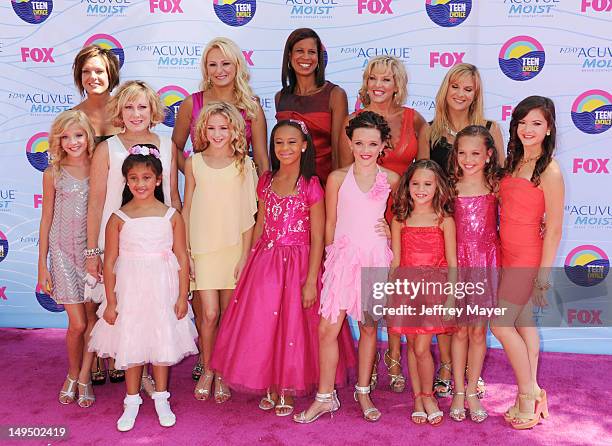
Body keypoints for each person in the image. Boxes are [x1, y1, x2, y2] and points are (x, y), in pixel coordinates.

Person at [211, 119, 355, 417]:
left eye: (291, 142)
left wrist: (312, 280)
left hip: (300, 264)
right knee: (265, 324)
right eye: (279, 143)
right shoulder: (266, 180)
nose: (285, 148)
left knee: (295, 327)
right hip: (266, 261)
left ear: (304, 146)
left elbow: (317, 237)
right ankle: (271, 384)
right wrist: (247, 258)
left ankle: (288, 388)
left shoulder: (311, 185)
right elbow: (260, 223)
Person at [294, 112, 399, 424]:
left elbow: (403, 218)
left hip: (375, 257)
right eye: (359, 143)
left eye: (372, 143)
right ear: (350, 143)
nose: (365, 149)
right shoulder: (338, 178)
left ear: (382, 146)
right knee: (327, 327)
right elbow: (330, 223)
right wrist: (329, 260)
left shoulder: (391, 179)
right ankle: (325, 397)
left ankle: (363, 390)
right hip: (342, 257)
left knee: (369, 327)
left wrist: (391, 232)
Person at [89, 148, 197, 431]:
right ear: (126, 181)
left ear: (158, 180)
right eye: (133, 178)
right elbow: (110, 261)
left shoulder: (172, 215)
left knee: (162, 342)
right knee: (132, 343)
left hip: (164, 289)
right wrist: (111, 302)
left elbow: (182, 257)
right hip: (131, 292)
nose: (140, 184)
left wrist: (182, 295)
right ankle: (132, 400)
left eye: (146, 177)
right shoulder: (118, 218)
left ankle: (162, 398)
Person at [339, 55, 429, 393]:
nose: (378, 85)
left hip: (403, 216)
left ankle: (394, 357)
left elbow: (425, 174)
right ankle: (373, 359)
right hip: (367, 221)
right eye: (373, 78)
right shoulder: (352, 121)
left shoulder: (414, 120)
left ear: (397, 85)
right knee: (371, 299)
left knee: (396, 290)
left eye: (386, 79)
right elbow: (341, 173)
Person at [85, 80, 182, 390]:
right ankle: (118, 374)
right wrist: (92, 251)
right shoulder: (107, 148)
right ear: (119, 111)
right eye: (129, 106)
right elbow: (97, 202)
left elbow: (173, 198)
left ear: (153, 109)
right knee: (122, 309)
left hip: (157, 244)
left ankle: (153, 378)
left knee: (155, 307)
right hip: (114, 240)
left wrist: (183, 246)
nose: (136, 113)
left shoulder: (168, 146)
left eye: (142, 106)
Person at [425, 63, 503, 397]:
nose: (460, 94)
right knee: (450, 318)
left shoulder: (489, 128)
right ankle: (447, 369)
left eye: (468, 88)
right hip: (448, 234)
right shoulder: (430, 130)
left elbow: (502, 184)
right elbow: (424, 179)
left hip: (482, 248)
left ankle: (470, 379)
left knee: (473, 325)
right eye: (455, 86)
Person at [491, 96, 564, 430]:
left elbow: (555, 229)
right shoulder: (513, 161)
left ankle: (528, 393)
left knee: (500, 324)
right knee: (522, 322)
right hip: (505, 252)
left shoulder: (549, 170)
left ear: (548, 129)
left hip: (527, 257)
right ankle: (532, 391)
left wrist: (543, 276)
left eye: (537, 123)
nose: (528, 129)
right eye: (523, 122)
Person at [183, 101, 258, 403]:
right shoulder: (194, 162)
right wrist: (185, 250)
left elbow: (250, 214)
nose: (217, 134)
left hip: (233, 248)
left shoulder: (244, 164)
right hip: (201, 247)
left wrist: (244, 256)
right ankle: (208, 368)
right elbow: (187, 207)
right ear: (203, 129)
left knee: (227, 316)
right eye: (211, 128)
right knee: (209, 314)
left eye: (223, 128)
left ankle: (224, 371)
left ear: (234, 130)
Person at [389, 160, 456, 426]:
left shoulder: (444, 220)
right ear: (408, 186)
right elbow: (396, 262)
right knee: (412, 346)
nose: (421, 188)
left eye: (427, 184)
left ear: (438, 186)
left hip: (434, 292)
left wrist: (451, 297)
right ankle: (418, 398)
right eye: (415, 183)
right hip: (407, 290)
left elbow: (453, 263)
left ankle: (428, 395)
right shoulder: (400, 219)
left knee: (421, 346)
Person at [38, 110, 97, 407]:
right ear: (58, 140)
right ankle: (72, 374)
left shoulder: (100, 168)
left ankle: (85, 376)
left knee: (90, 320)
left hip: (90, 255)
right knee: (76, 324)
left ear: (89, 137)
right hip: (61, 252)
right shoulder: (53, 174)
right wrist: (41, 266)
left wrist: (98, 255)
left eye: (79, 135)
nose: (73, 142)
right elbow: (46, 217)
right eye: (66, 136)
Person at [447, 125, 501, 423]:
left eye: (476, 153)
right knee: (459, 330)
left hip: (485, 263)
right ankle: (457, 390)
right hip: (458, 263)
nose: (468, 159)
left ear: (489, 155)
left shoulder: (496, 187)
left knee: (479, 330)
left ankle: (471, 390)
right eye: (462, 153)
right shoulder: (450, 188)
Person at [172, 37, 269, 175]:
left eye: (225, 63)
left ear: (237, 65)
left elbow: (261, 158)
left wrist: (261, 194)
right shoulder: (191, 104)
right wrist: (193, 174)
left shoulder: (251, 107)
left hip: (241, 187)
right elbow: (174, 149)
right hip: (203, 190)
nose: (219, 70)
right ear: (205, 68)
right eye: (212, 64)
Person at [275, 28, 348, 183]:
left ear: (319, 57)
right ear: (289, 55)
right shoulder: (280, 97)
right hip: (290, 188)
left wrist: (335, 190)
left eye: (312, 52)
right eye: (300, 51)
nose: (306, 57)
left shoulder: (335, 95)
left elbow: (339, 151)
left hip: (325, 184)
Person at [72, 45, 121, 145]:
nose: (93, 77)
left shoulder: (128, 113)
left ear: (110, 74)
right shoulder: (69, 118)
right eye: (86, 71)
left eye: (99, 71)